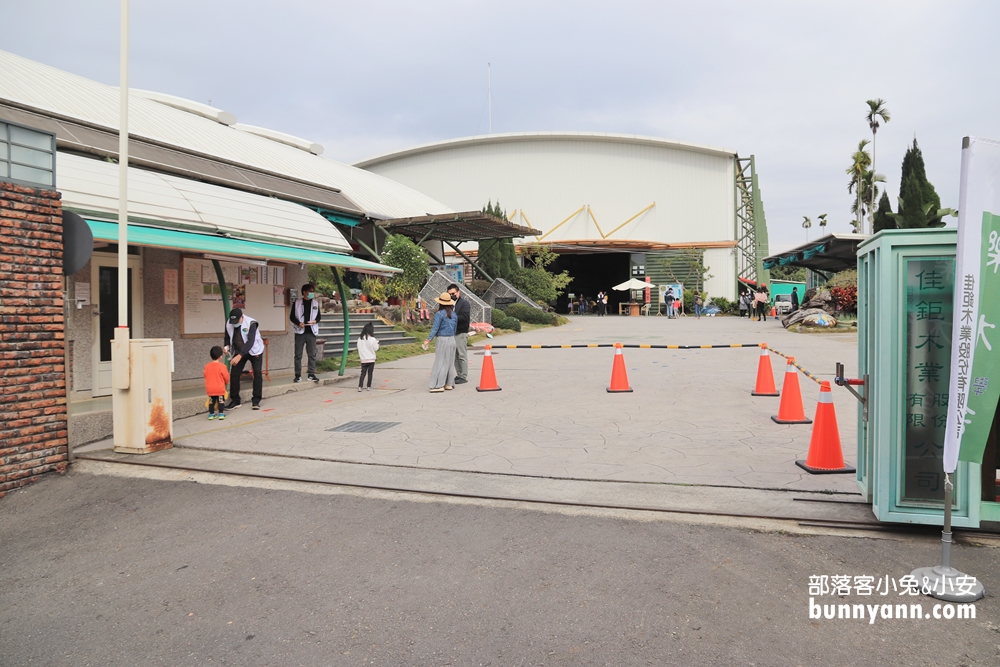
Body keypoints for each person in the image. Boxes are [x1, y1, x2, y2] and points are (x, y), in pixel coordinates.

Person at [224, 307, 265, 410]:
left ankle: (256, 400)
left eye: (236, 321)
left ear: (242, 317)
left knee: (257, 373)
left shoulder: (251, 323)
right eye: (233, 321)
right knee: (234, 373)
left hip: (254, 350)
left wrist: (240, 355)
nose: (234, 323)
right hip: (239, 350)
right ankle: (235, 400)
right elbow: (227, 337)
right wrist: (227, 346)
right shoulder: (229, 322)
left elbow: (250, 342)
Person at [422, 292, 457, 393]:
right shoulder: (454, 315)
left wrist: (428, 339)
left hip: (442, 339)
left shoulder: (439, 314)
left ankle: (439, 385)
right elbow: (454, 329)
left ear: (440, 303)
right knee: (450, 362)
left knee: (441, 362)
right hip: (452, 339)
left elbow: (435, 328)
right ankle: (449, 384)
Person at [290, 282, 322, 383]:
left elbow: (319, 317)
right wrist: (299, 323)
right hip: (300, 332)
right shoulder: (297, 302)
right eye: (310, 291)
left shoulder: (315, 303)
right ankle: (297, 375)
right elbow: (291, 317)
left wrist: (315, 321)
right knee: (298, 354)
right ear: (304, 292)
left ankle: (311, 374)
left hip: (311, 331)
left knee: (312, 354)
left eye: (313, 291)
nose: (312, 293)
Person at [448, 283, 471, 385]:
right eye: (450, 294)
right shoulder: (449, 304)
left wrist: (453, 317)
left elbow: (465, 317)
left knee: (461, 354)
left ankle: (463, 375)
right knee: (454, 356)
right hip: (451, 333)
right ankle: (459, 374)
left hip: (461, 332)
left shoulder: (464, 303)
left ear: (458, 292)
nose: (452, 295)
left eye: (453, 293)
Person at [204, 345, 230, 420]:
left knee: (211, 401)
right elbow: (226, 377)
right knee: (220, 400)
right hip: (219, 387)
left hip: (210, 388)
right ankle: (221, 413)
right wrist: (226, 382)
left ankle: (211, 414)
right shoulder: (222, 366)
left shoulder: (207, 366)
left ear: (210, 356)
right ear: (220, 356)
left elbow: (205, 375)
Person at [356, 321, 379, 392]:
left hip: (363, 359)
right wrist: (378, 345)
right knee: (370, 373)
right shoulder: (372, 339)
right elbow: (376, 348)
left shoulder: (360, 339)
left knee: (363, 373)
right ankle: (368, 386)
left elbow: (358, 347)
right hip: (371, 359)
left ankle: (360, 386)